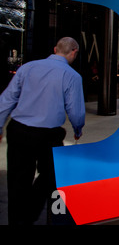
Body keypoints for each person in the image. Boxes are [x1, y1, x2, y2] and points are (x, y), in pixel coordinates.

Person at [0, 37, 85, 225]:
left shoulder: (27, 68)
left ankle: (17, 221)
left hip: (18, 130)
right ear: (74, 52)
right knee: (51, 176)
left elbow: (6, 99)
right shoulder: (72, 76)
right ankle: (30, 212)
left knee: (17, 181)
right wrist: (78, 129)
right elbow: (76, 111)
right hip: (48, 135)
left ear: (55, 49)